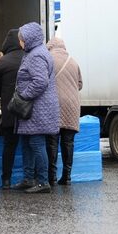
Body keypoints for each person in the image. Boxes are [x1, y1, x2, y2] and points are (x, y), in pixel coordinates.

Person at [10, 22, 60, 193]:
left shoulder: (37, 55)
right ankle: (28, 178)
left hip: (37, 109)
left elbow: (40, 81)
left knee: (37, 143)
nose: (20, 43)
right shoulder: (34, 52)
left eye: (22, 39)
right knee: (26, 142)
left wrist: (24, 95)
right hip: (33, 109)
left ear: (29, 39)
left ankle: (43, 182)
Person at [0, 29, 24, 189]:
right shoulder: (29, 58)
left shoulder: (2, 62)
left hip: (9, 111)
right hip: (28, 111)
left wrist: (4, 93)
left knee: (9, 145)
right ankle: (32, 177)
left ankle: (6, 180)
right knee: (31, 145)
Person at [46, 37, 82, 185]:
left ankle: (52, 177)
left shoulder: (48, 60)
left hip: (54, 104)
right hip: (72, 105)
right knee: (68, 142)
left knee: (52, 142)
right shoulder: (73, 61)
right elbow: (80, 84)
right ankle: (67, 176)